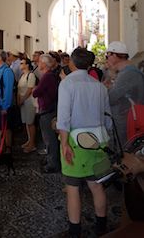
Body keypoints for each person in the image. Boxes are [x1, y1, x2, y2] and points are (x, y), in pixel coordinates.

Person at [57, 47, 112, 238]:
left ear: (71, 62)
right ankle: (101, 227)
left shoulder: (67, 84)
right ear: (89, 65)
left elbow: (63, 118)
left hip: (75, 141)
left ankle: (75, 231)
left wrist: (64, 144)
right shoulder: (98, 86)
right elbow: (108, 117)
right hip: (99, 140)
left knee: (73, 189)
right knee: (96, 186)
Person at [105, 41, 144, 146]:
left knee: (122, 157)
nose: (107, 59)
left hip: (125, 124)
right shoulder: (128, 72)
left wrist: (106, 87)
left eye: (107, 55)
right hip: (125, 122)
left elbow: (110, 98)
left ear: (114, 56)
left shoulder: (128, 74)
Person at [32, 53, 60, 173]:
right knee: (48, 138)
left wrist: (35, 89)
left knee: (49, 139)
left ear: (44, 64)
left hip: (47, 110)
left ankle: (53, 163)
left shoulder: (47, 76)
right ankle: (51, 160)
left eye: (39, 62)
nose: (38, 64)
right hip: (49, 109)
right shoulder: (49, 76)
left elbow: (36, 92)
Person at [0, 49, 15, 149]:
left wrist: (5, 107)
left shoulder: (7, 71)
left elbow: (8, 90)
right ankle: (3, 147)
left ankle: (8, 150)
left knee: (6, 128)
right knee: (1, 128)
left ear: (0, 58)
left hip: (3, 105)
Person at [17, 58, 36, 152]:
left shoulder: (31, 75)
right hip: (23, 102)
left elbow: (30, 89)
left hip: (29, 102)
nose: (20, 65)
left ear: (27, 65)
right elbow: (19, 89)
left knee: (30, 122)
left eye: (22, 63)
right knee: (26, 123)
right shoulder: (22, 75)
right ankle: (29, 140)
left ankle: (32, 143)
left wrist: (22, 99)